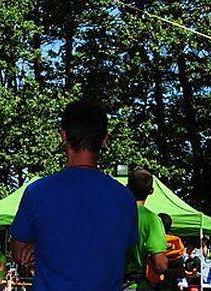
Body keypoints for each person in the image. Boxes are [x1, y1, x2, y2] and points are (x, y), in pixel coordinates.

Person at [8, 99, 138, 290]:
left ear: (64, 135)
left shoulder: (38, 192)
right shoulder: (124, 198)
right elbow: (121, 249)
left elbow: (20, 253)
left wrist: (41, 246)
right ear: (104, 140)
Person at [124, 170, 168, 289]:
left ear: (126, 187)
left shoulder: (109, 215)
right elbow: (160, 266)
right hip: (136, 285)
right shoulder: (152, 220)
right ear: (151, 191)